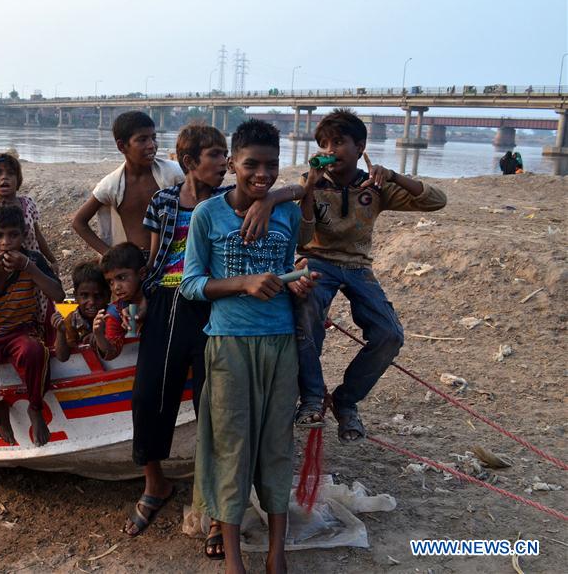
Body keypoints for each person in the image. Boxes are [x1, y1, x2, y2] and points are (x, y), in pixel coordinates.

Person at [123, 123, 305, 542]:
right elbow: (159, 259)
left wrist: (273, 197)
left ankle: (219, 518)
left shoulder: (239, 200)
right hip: (177, 301)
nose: (223, 164)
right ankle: (157, 486)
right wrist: (139, 294)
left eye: (226, 156)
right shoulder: (170, 201)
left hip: (231, 315)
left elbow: (300, 194)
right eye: (216, 156)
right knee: (152, 394)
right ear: (190, 163)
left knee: (222, 417)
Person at [180, 119, 316, 573]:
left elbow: (287, 265)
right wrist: (243, 283)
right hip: (229, 345)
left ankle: (277, 554)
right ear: (231, 163)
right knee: (232, 447)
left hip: (280, 345)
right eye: (251, 165)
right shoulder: (208, 215)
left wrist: (297, 282)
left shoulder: (287, 213)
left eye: (271, 166)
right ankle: (234, 559)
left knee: (277, 444)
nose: (262, 174)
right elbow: (192, 285)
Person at [294, 108, 447, 444]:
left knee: (389, 335)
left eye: (338, 143)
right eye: (324, 145)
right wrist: (307, 191)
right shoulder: (314, 185)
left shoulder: (373, 187)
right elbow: (303, 240)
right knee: (305, 316)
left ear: (360, 146)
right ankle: (312, 398)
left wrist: (392, 175)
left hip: (358, 267)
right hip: (317, 261)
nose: (329, 151)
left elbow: (437, 201)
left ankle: (346, 401)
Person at [0, 204, 66, 447]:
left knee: (35, 351)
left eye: (13, 235)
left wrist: (28, 267)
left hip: (20, 331)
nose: (5, 242)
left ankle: (35, 408)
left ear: (23, 234)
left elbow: (58, 295)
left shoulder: (34, 259)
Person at [0, 152, 59, 342]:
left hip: (31, 263)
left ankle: (39, 340)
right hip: (5, 266)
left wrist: (52, 260)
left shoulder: (28, 203)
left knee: (40, 303)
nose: (4, 177)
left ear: (18, 178)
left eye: (10, 173)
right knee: (12, 303)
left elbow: (37, 234)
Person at [72, 111, 185, 256]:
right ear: (122, 146)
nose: (152, 145)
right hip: (133, 264)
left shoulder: (174, 174)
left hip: (172, 256)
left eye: (154, 138)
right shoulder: (111, 185)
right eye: (142, 139)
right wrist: (110, 255)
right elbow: (79, 222)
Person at [91, 243, 147, 361]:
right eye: (110, 282)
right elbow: (112, 352)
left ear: (142, 274)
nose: (116, 287)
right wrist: (99, 335)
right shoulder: (115, 312)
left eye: (121, 278)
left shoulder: (160, 297)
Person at [52, 261, 109, 362]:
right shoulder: (71, 318)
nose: (91, 302)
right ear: (75, 296)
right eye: (84, 295)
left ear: (107, 296)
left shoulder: (112, 314)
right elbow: (62, 357)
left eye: (98, 296)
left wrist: (100, 336)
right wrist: (60, 331)